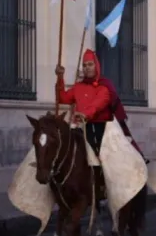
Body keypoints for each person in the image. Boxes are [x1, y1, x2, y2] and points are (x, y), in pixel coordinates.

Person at [55, 49, 145, 188]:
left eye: (90, 64)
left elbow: (99, 103)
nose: (87, 68)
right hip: (79, 127)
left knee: (101, 156)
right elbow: (63, 98)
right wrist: (60, 78)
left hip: (100, 127)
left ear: (96, 66)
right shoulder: (78, 87)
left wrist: (85, 114)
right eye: (84, 65)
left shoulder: (104, 86)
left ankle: (102, 183)